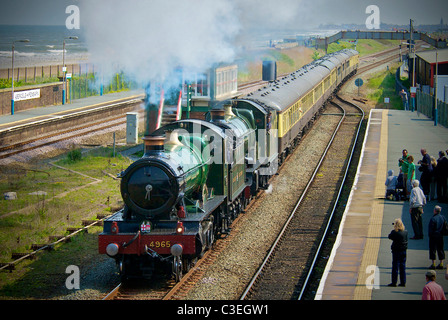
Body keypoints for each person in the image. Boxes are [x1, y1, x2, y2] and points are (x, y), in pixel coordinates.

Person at [388, 218, 408, 287]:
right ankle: (403, 282)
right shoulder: (405, 232)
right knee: (402, 266)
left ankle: (394, 282)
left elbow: (389, 236)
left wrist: (394, 229)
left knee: (395, 266)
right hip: (403, 251)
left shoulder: (394, 232)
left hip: (396, 251)